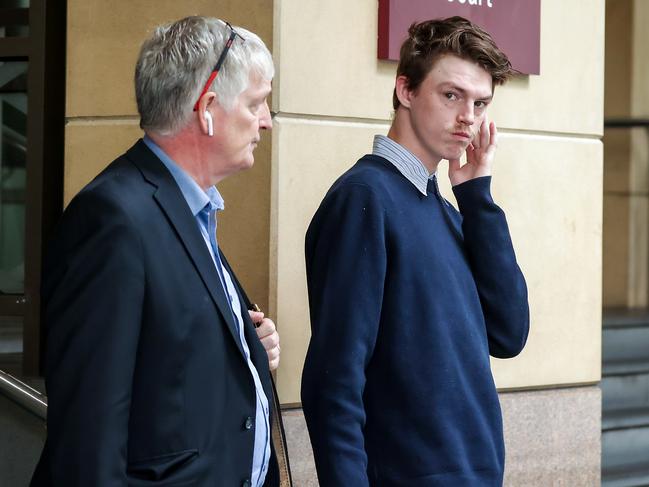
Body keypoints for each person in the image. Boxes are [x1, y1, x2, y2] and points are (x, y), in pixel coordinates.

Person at [30, 16, 284, 487]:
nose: (267, 121)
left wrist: (244, 351)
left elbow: (168, 361)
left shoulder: (189, 208)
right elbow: (90, 439)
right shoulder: (114, 218)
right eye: (257, 103)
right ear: (207, 108)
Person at [301, 16, 530, 486]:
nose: (469, 117)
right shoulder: (364, 199)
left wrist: (476, 197)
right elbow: (333, 382)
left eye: (480, 102)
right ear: (406, 90)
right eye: (451, 95)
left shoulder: (445, 209)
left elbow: (509, 332)